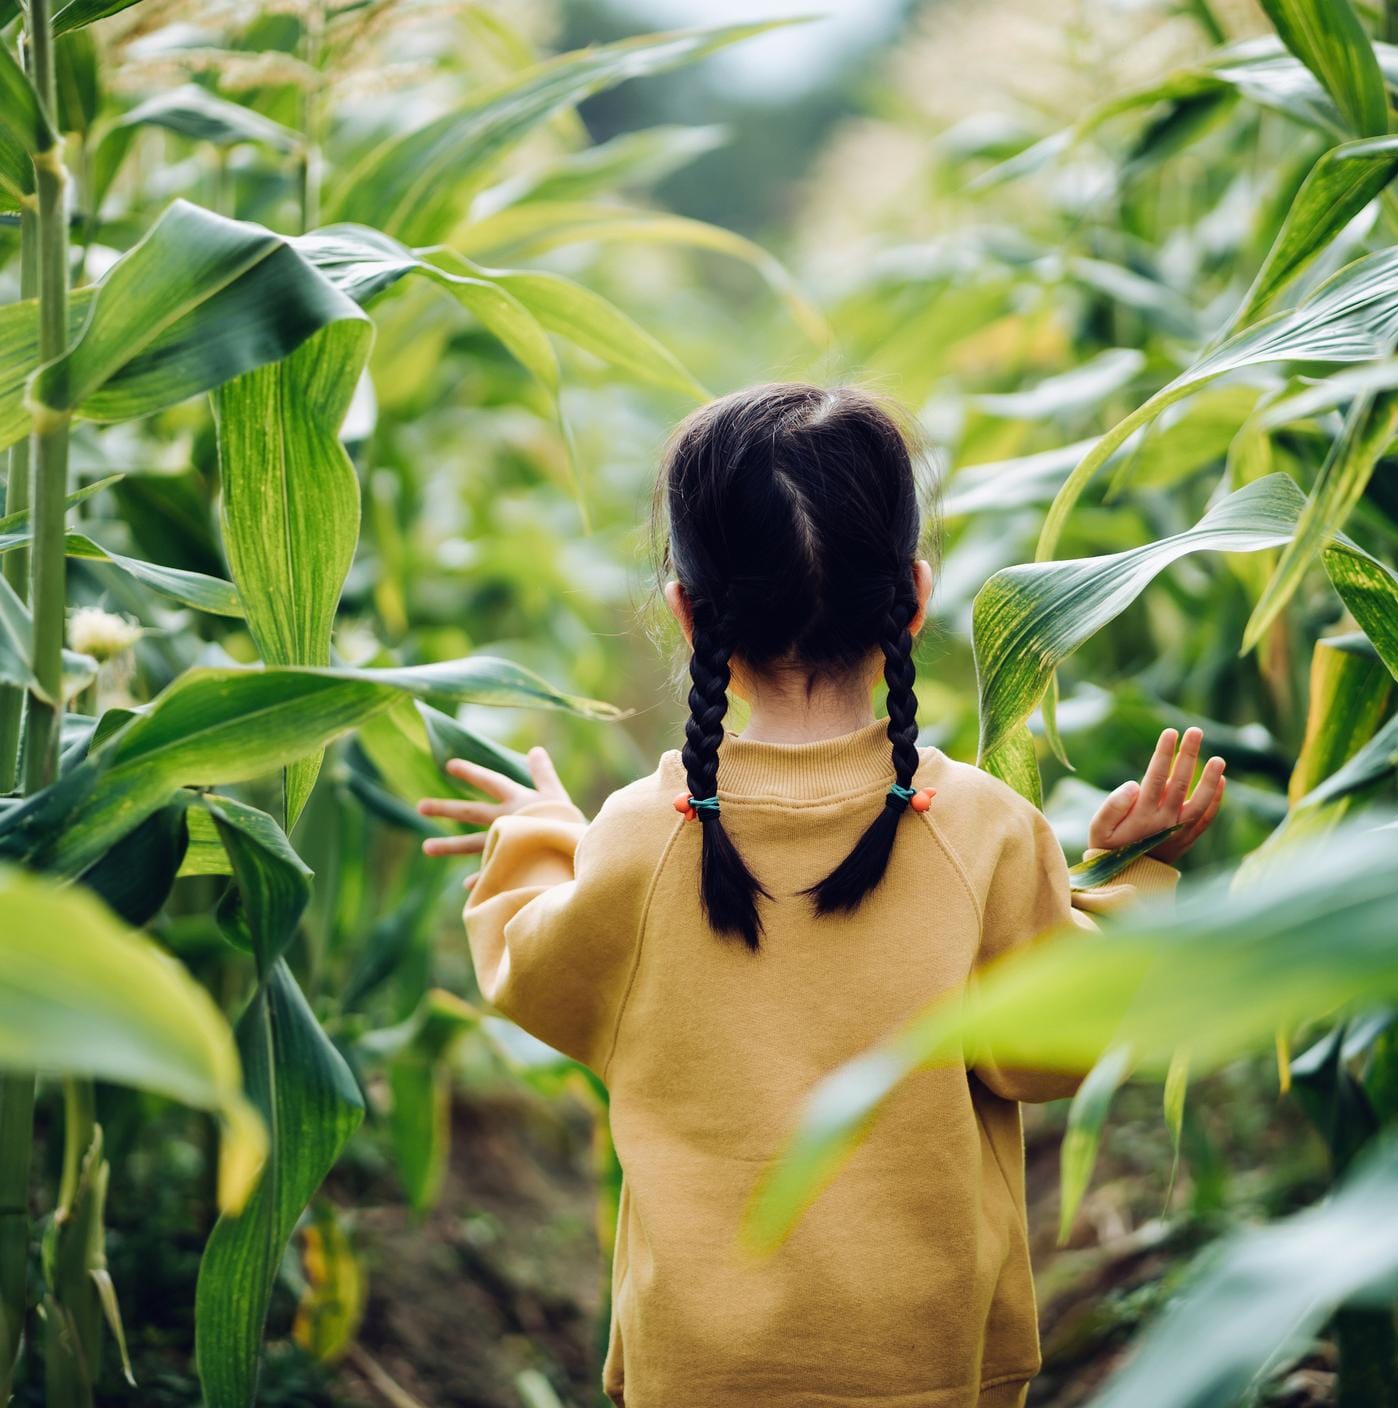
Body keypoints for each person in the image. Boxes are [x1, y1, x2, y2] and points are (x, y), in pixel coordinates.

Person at [417, 384, 1226, 1408]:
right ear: (915, 596)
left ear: (686, 612)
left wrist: (539, 836)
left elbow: (538, 966)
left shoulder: (642, 838)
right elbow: (1047, 1044)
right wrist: (1126, 878)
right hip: (929, 1364)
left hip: (697, 1371)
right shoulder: (975, 828)